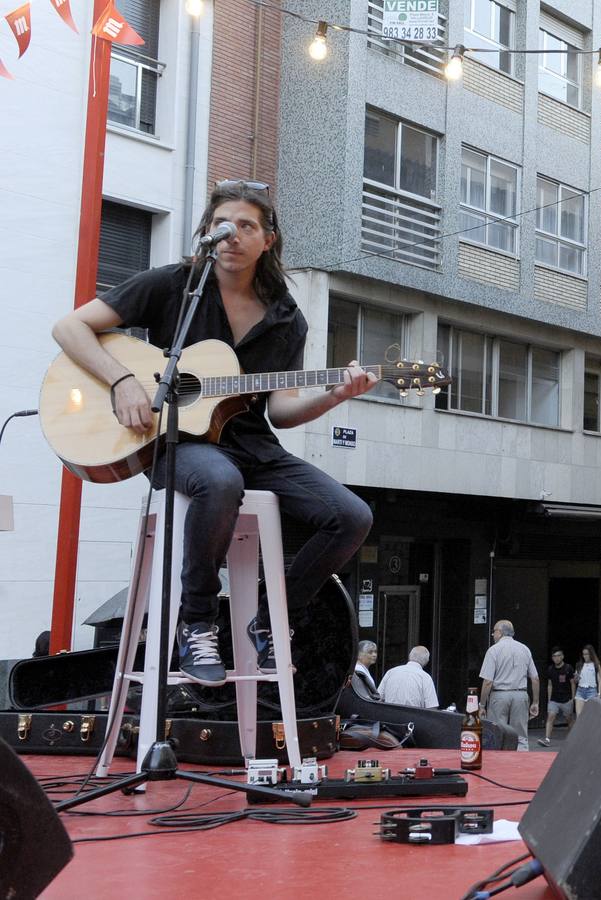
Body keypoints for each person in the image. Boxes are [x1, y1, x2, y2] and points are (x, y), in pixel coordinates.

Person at [51, 180, 377, 687]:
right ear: (208, 233)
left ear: (268, 240)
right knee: (220, 480)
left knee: (351, 516)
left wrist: (336, 394)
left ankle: (272, 619)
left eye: (246, 226)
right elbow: (70, 328)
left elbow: (283, 413)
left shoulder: (286, 318)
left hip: (253, 447)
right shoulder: (173, 285)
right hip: (174, 443)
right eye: (221, 226)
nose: (232, 236)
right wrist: (120, 381)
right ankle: (197, 623)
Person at [479, 620, 539, 751]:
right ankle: (522, 766)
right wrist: (535, 702)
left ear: (500, 632)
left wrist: (482, 705)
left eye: (494, 632)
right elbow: (535, 678)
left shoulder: (493, 650)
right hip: (520, 695)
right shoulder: (525, 649)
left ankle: (497, 766)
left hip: (499, 695)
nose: (493, 635)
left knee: (496, 734)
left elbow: (488, 682)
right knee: (521, 737)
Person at [538, 647, 574, 747]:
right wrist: (549, 699)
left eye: (558, 656)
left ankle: (572, 739)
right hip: (554, 699)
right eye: (554, 656)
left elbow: (572, 683)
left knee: (569, 719)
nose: (556, 658)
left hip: (566, 699)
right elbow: (550, 684)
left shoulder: (568, 668)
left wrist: (573, 698)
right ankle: (547, 739)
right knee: (551, 717)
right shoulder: (550, 669)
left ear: (562, 656)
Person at [572, 644, 601, 719]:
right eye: (583, 654)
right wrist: (576, 678)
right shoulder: (579, 665)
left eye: (586, 654)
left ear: (591, 654)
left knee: (591, 717)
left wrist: (599, 694)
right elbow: (575, 681)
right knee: (579, 717)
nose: (585, 656)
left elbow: (600, 680)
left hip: (592, 691)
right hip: (580, 691)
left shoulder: (596, 665)